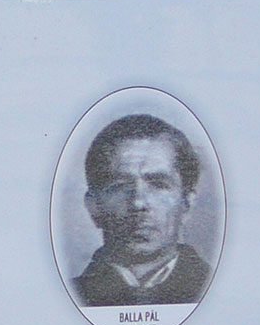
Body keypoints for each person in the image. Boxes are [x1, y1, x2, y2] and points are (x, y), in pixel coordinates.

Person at [74, 113, 212, 307]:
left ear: (186, 204)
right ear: (94, 207)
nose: (138, 203)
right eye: (120, 186)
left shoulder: (218, 291)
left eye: (158, 184)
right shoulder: (70, 296)